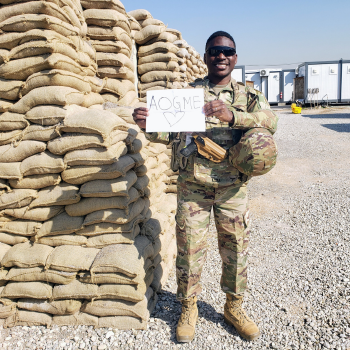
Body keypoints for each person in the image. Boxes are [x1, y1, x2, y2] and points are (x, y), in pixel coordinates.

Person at [132, 31, 278, 343]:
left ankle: (234, 308)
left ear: (235, 58)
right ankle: (188, 309)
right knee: (189, 252)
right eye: (214, 51)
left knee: (236, 250)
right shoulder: (189, 95)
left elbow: (270, 123)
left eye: (227, 51)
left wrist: (233, 115)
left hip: (232, 188)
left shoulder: (248, 96)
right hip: (194, 186)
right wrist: (149, 125)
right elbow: (169, 135)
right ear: (206, 57)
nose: (221, 56)